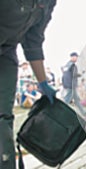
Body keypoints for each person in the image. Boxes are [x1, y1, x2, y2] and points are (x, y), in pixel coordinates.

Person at [0, 0, 57, 168]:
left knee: (3, 116)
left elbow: (33, 41)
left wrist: (43, 83)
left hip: (6, 52)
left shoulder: (48, 3)